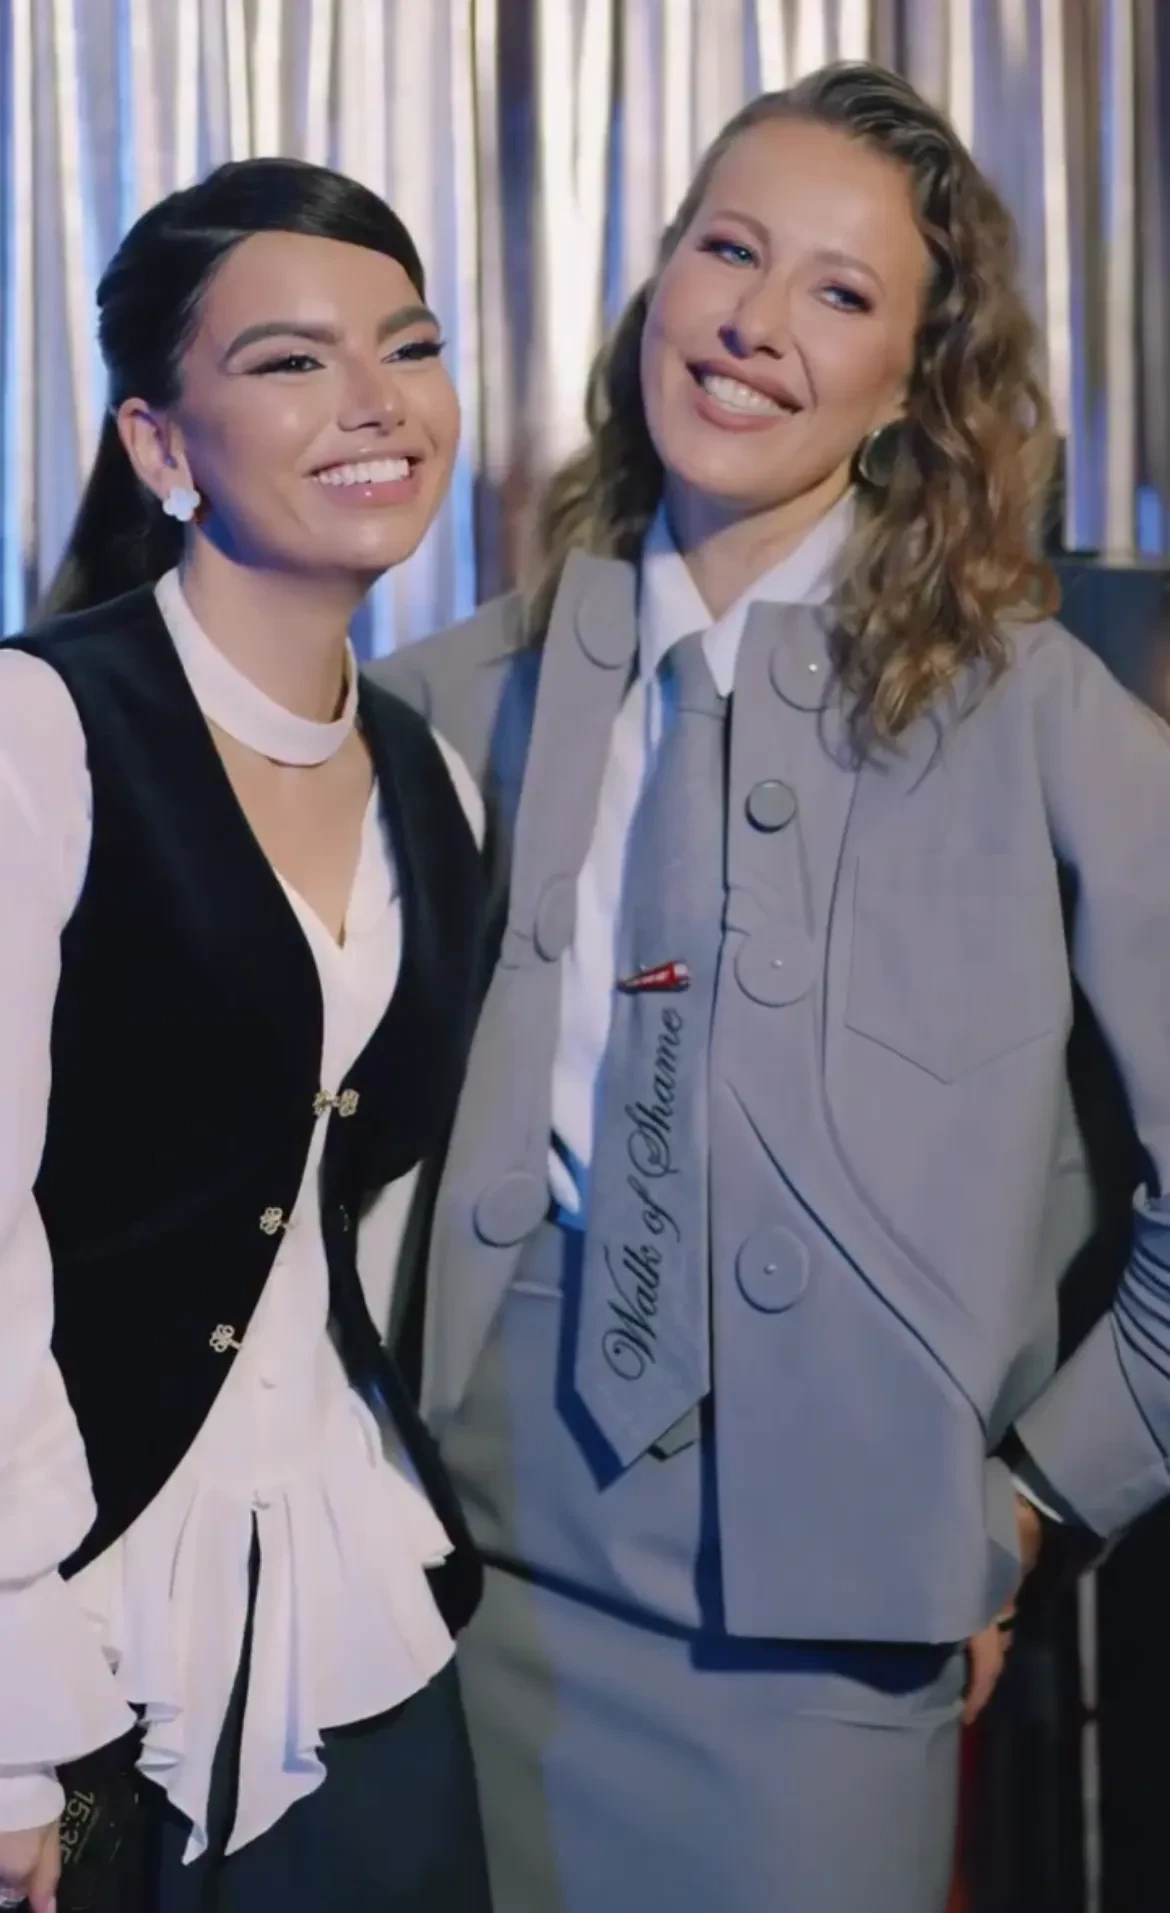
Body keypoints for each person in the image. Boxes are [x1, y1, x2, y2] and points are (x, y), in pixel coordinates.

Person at [372, 60, 1170, 1913]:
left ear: (911, 381)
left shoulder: (1042, 716)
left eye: (840, 290)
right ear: (659, 279)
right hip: (450, 1589)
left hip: (829, 1635)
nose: (753, 322)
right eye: (728, 251)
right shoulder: (441, 703)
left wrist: (1037, 1495)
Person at [0, 158, 493, 1913]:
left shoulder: (434, 782)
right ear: (159, 443)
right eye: (289, 360)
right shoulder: (38, 732)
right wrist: (12, 1691)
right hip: (84, 1621)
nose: (374, 401)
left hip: (362, 1594)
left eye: (408, 346)